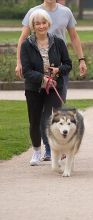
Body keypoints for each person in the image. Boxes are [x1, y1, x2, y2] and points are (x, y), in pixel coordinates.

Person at [15, 0, 87, 161]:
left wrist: (81, 59)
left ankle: (53, 149)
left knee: (55, 113)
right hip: (36, 68)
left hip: (58, 69)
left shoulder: (66, 12)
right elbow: (22, 39)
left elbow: (74, 37)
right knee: (39, 115)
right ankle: (46, 149)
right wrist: (19, 62)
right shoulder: (33, 12)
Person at [20, 9, 72, 166]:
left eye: (44, 23)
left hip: (55, 86)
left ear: (48, 24)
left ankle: (58, 150)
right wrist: (42, 78)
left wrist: (58, 70)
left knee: (53, 119)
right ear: (33, 26)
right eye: (37, 24)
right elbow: (26, 71)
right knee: (35, 121)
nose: (41, 26)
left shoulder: (58, 42)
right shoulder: (27, 45)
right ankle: (37, 151)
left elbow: (68, 64)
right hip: (34, 89)